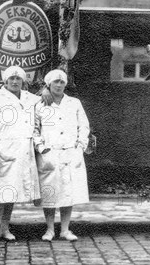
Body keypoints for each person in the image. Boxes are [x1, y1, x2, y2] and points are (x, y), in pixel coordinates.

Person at [0, 65, 40, 242]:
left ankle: (5, 228)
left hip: (23, 152)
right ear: (5, 81)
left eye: (18, 79)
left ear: (23, 81)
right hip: (1, 151)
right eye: (11, 79)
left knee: (11, 191)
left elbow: (47, 100)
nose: (15, 82)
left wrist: (46, 92)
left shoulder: (31, 98)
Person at [34, 69, 90, 241]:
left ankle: (65, 229)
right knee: (50, 191)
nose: (58, 85)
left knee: (68, 192)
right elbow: (34, 128)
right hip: (49, 153)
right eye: (55, 82)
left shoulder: (74, 103)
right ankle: (50, 229)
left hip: (70, 152)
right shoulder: (40, 104)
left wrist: (80, 146)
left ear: (66, 84)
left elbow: (84, 126)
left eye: (62, 82)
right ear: (48, 84)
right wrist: (41, 148)